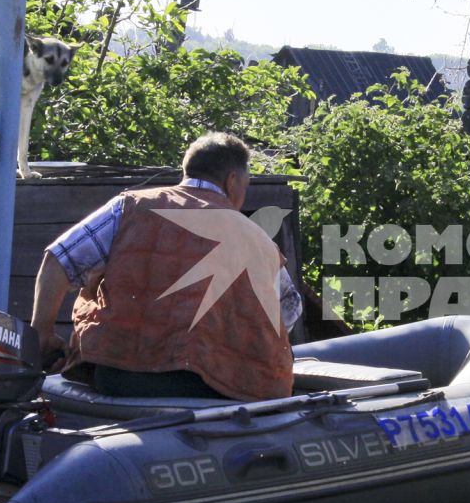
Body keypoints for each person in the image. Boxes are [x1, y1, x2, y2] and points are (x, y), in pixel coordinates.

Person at [30, 132, 302, 401]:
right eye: (246, 183)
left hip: (117, 378)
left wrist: (41, 334)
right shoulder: (259, 241)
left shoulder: (130, 207)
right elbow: (288, 312)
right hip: (215, 390)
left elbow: (58, 259)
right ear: (232, 181)